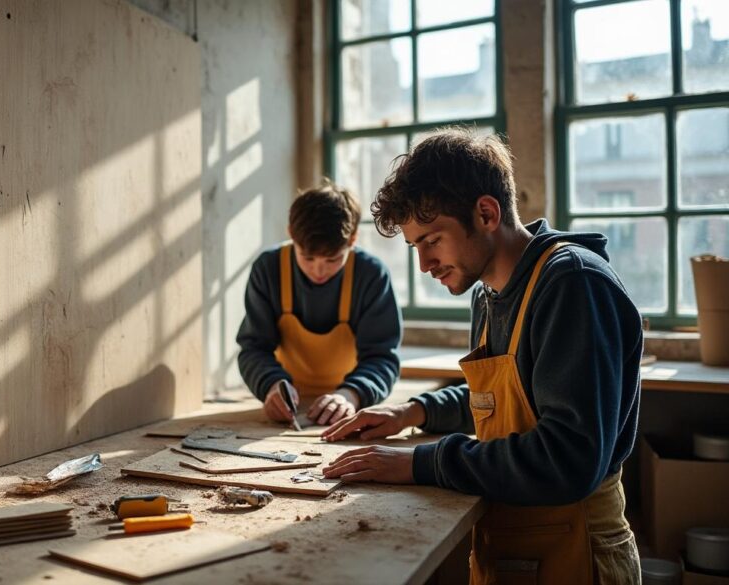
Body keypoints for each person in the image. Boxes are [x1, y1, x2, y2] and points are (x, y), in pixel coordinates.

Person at [321, 128, 642, 584]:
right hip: (511, 546)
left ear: (487, 213)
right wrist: (412, 412)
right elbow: (500, 404)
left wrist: (422, 462)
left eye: (431, 240)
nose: (424, 265)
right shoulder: (489, 292)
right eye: (415, 247)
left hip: (577, 550)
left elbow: (569, 459)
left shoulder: (572, 284)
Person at [236, 180, 402, 427]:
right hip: (287, 404)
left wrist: (351, 394)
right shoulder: (268, 268)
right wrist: (270, 385)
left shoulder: (371, 274)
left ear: (352, 240)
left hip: (349, 402)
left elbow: (382, 357)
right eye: (307, 257)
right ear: (291, 234)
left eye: (333, 259)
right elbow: (253, 348)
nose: (319, 270)